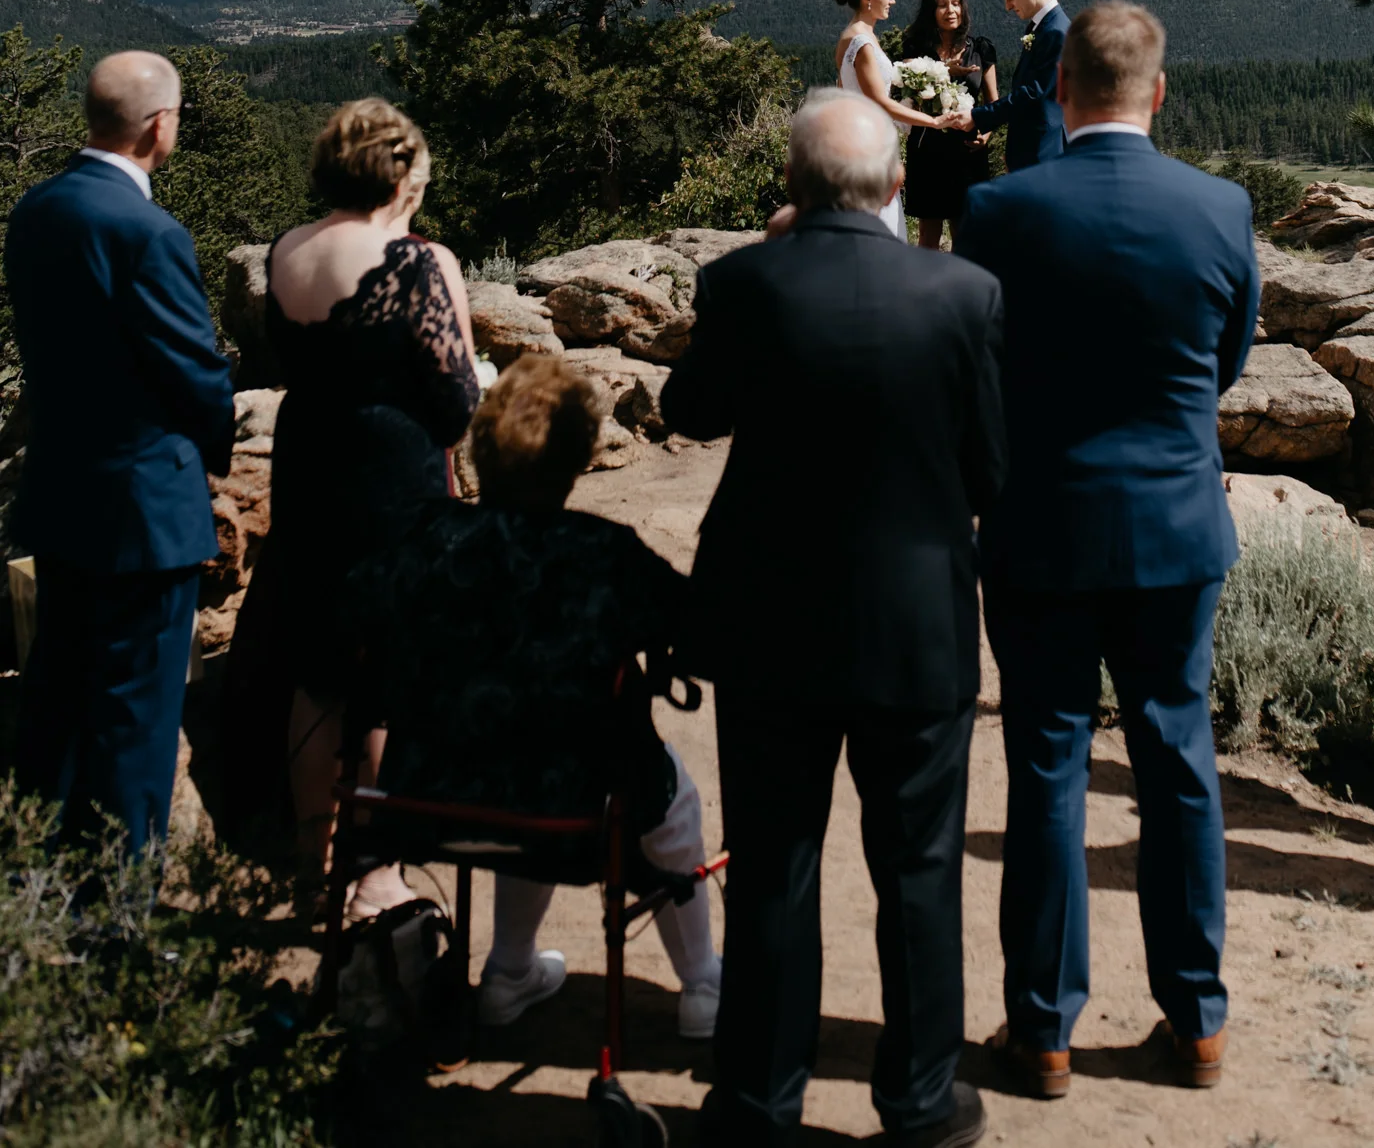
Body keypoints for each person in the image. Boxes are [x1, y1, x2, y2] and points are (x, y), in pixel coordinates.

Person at [661, 90, 1006, 1148]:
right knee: (918, 867)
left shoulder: (742, 283)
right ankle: (918, 1101)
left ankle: (760, 1100)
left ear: (789, 190)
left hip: (769, 620)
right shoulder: (965, 293)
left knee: (775, 862)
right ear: (899, 187)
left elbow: (688, 411)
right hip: (916, 623)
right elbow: (992, 467)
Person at [956, 2, 1259, 1092]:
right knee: (1178, 762)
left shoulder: (999, 211)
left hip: (1038, 523)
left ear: (1062, 89)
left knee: (1046, 765)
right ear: (1159, 92)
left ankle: (1042, 1027)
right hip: (1176, 524)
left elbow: (978, 365)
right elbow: (1224, 357)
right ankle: (1199, 1019)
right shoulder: (1220, 207)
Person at [354, 355, 723, 1034]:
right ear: (577, 458)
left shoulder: (422, 538)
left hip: (426, 795)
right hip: (570, 804)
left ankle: (510, 972)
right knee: (671, 804)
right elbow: (701, 631)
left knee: (520, 757)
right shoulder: (602, 553)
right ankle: (702, 985)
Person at [6, 51, 233, 855]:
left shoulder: (35, 210)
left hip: (62, 495)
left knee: (58, 706)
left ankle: (40, 894)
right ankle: (119, 928)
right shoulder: (147, 230)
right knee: (136, 722)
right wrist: (217, 448)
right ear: (159, 126)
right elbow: (196, 371)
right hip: (145, 514)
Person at [263, 99, 479, 920]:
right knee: (387, 673)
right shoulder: (420, 262)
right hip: (393, 472)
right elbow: (456, 399)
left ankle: (312, 864)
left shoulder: (287, 251)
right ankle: (377, 869)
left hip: (308, 461)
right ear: (399, 171)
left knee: (316, 673)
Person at [832, 0, 944, 241]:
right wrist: (933, 121)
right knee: (879, 226)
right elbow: (879, 102)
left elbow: (843, 87)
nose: (892, 1)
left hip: (859, 140)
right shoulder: (863, 43)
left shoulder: (853, 36)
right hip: (870, 147)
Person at [899, 0, 999, 251]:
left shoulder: (981, 49)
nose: (951, 10)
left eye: (956, 4)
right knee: (928, 233)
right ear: (931, 11)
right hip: (928, 148)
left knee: (966, 231)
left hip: (968, 150)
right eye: (942, 5)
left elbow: (993, 101)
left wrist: (987, 135)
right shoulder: (915, 48)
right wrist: (945, 69)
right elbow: (913, 91)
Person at [942, 0, 1068, 171]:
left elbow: (1033, 93)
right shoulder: (1043, 27)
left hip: (1043, 151)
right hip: (1032, 149)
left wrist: (977, 116)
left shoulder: (1056, 31)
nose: (1007, 6)